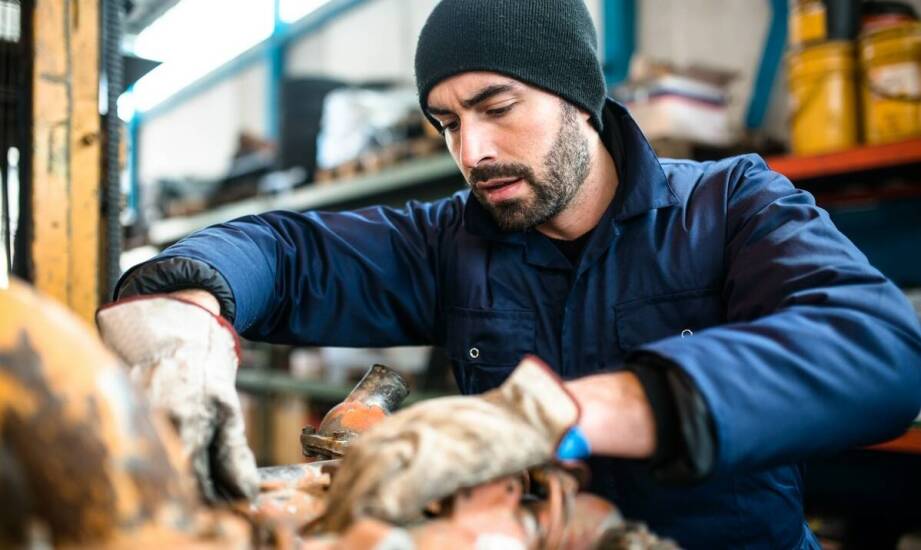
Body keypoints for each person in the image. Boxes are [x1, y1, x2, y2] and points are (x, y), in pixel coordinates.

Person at [96, 1, 921, 547]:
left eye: (497, 108)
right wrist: (186, 309)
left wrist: (564, 412)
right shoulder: (453, 240)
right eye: (446, 122)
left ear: (578, 99)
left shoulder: (728, 205)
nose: (472, 152)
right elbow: (287, 251)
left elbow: (880, 349)